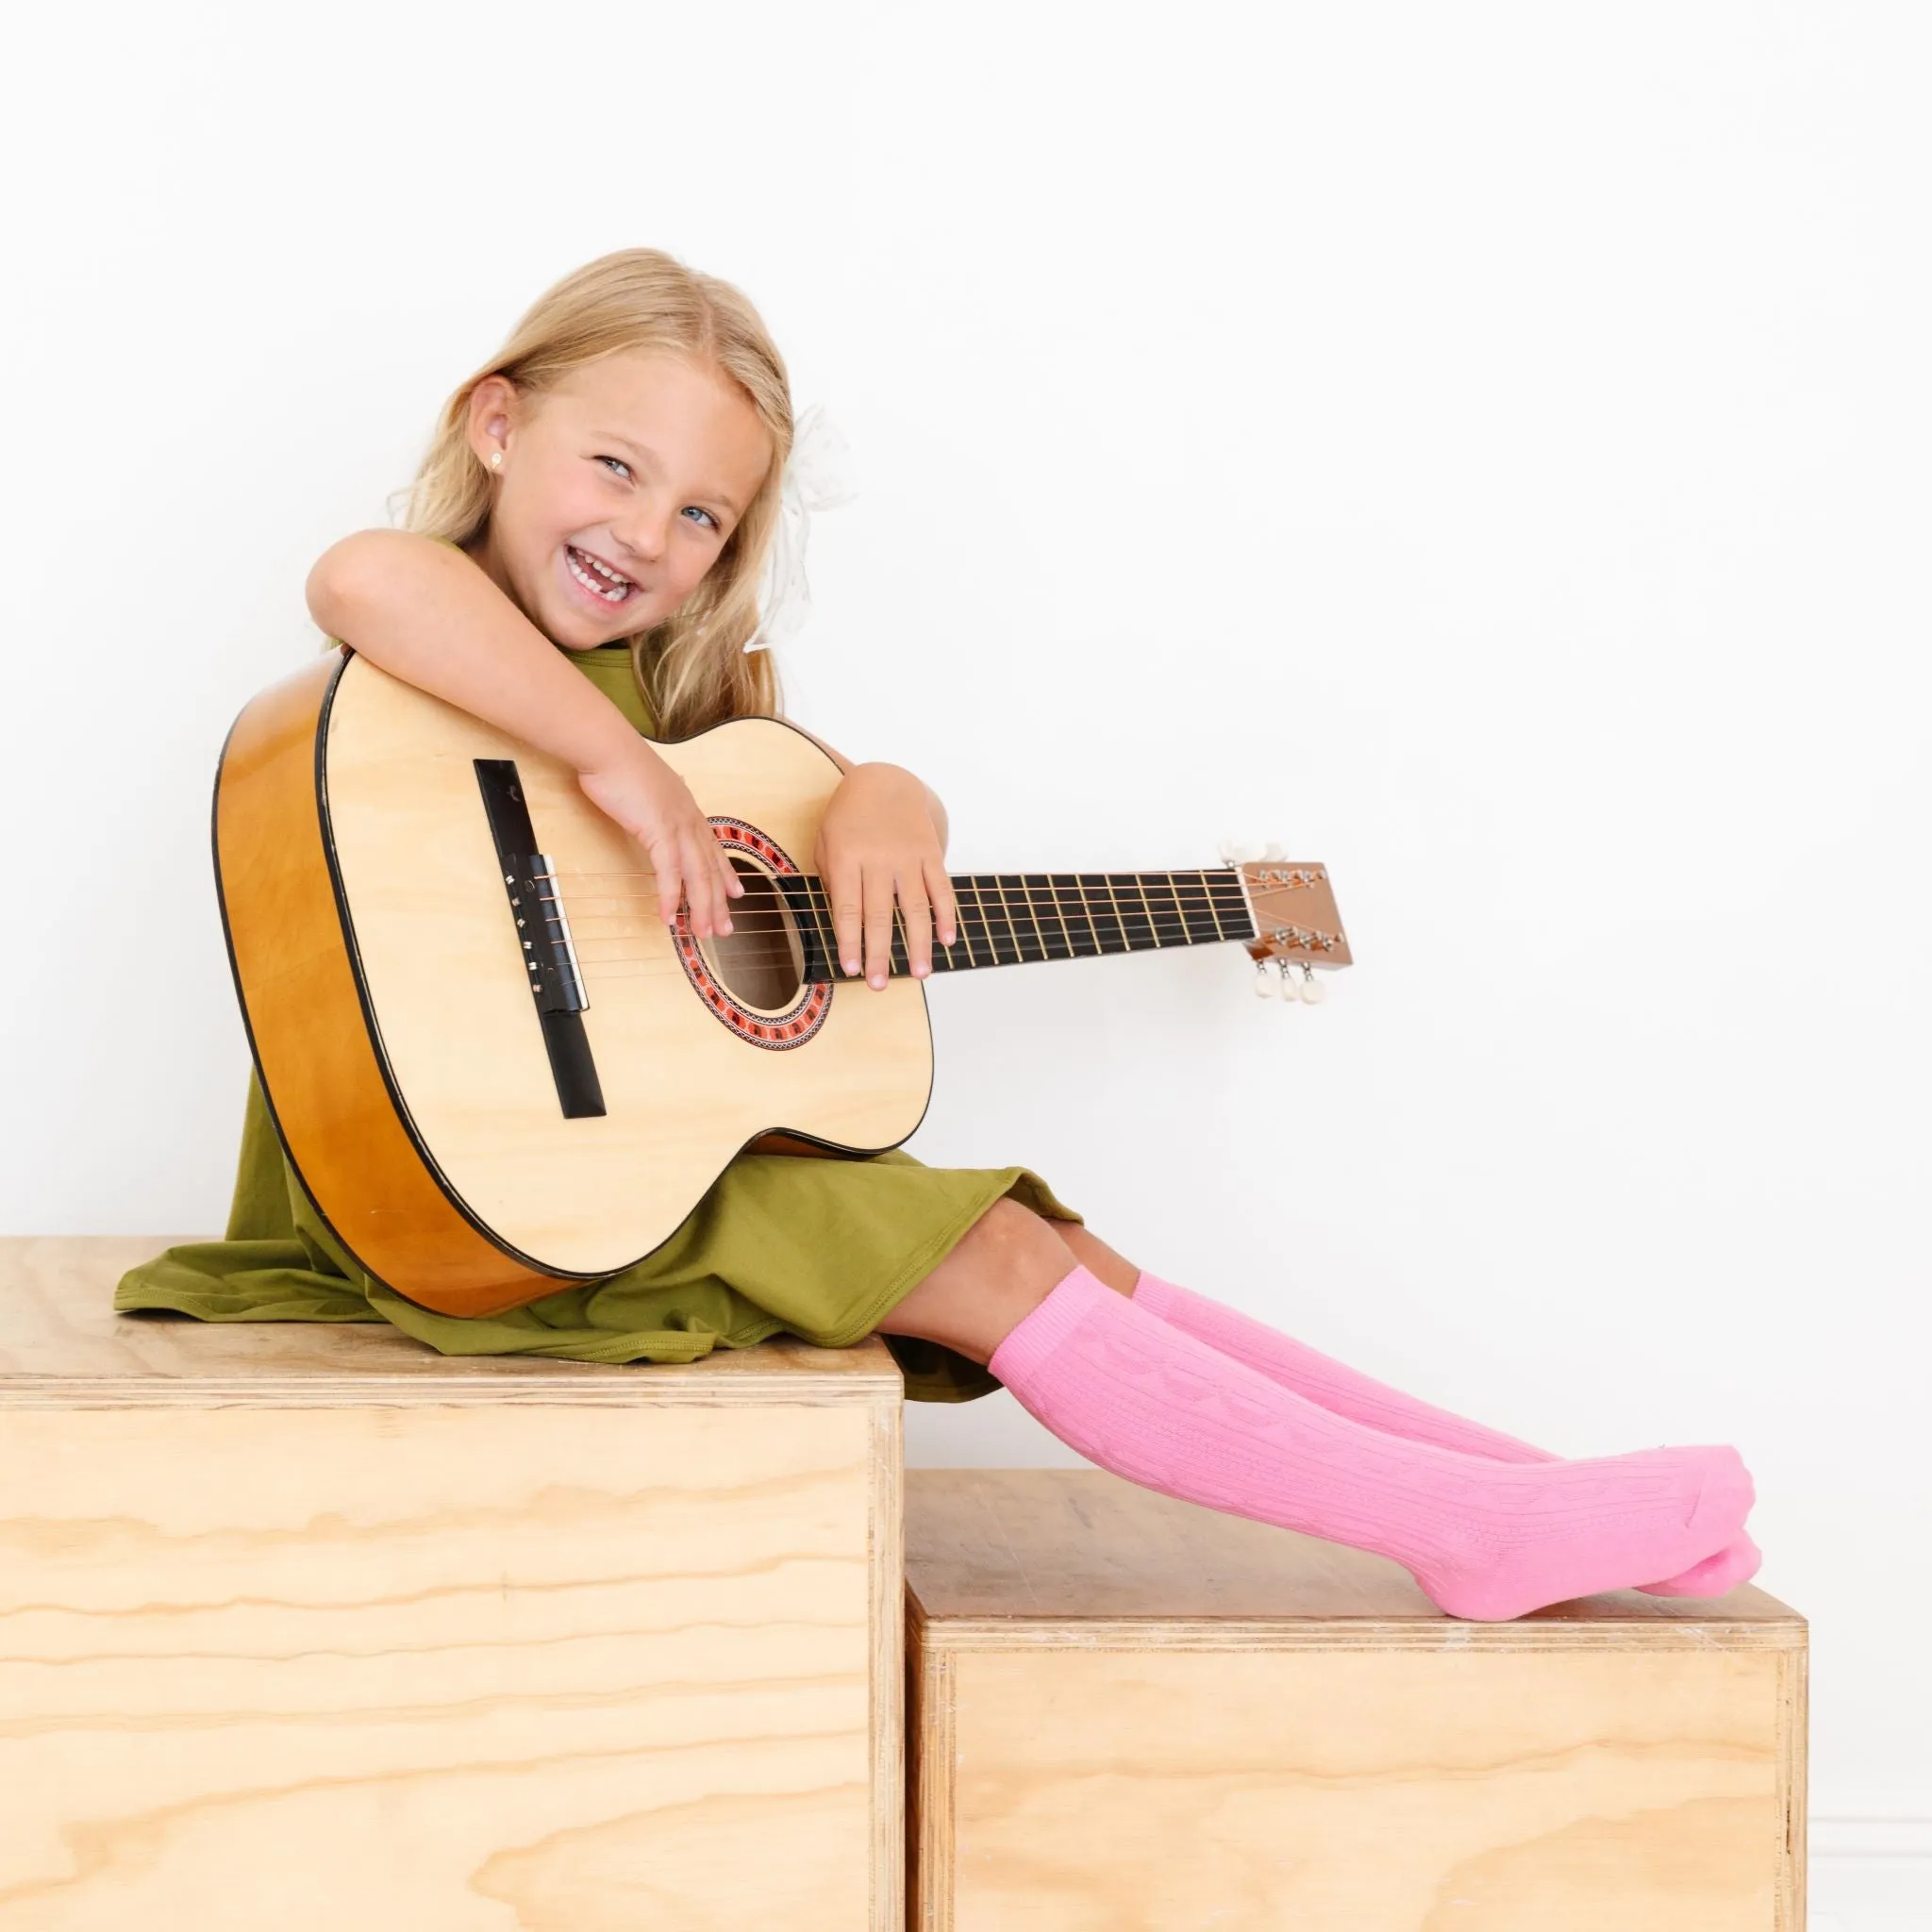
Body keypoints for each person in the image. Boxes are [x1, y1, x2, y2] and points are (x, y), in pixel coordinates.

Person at [118, 248, 1757, 1622]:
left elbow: (788, 817)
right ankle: (1469, 1533)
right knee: (987, 1259)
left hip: (621, 1170)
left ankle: (1516, 1494)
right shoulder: (429, 630)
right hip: (460, 1199)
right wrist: (610, 767)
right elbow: (362, 577)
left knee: (1062, 1252)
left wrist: (892, 796)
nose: (644, 533)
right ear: (495, 421)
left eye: (701, 516)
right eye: (613, 465)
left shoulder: (697, 710)